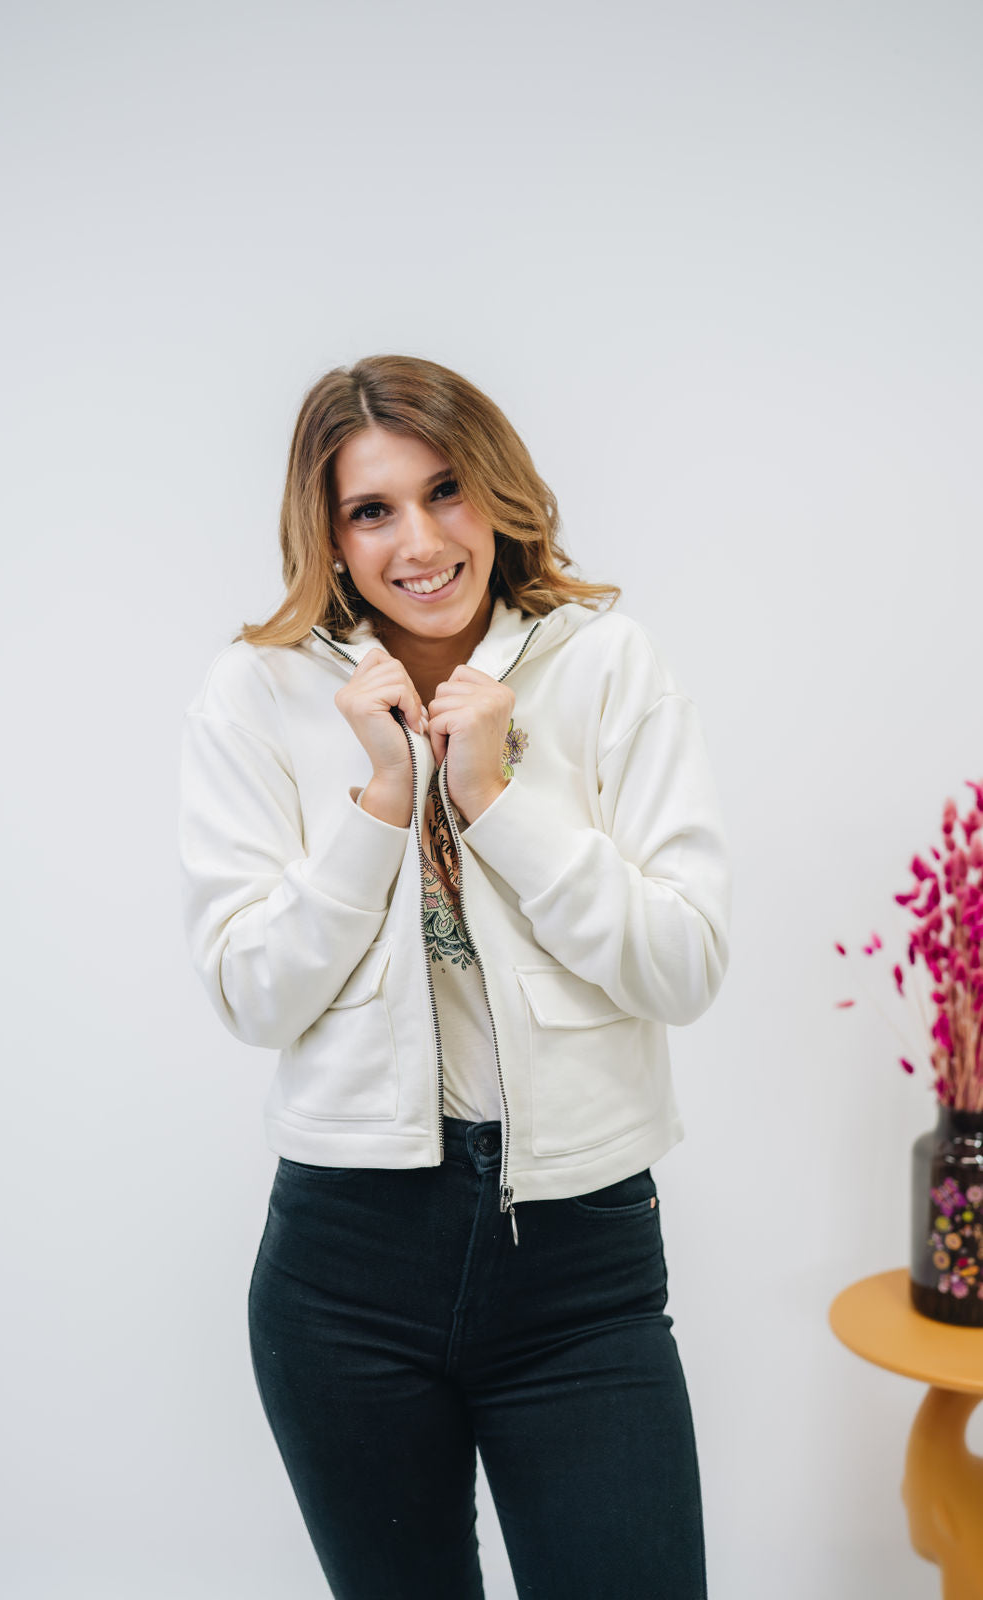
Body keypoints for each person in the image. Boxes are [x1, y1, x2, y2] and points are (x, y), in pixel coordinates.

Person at [177, 353, 732, 1599]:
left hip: (579, 1258)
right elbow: (251, 993)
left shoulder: (606, 664)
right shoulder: (255, 692)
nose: (419, 541)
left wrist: (493, 798)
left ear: (498, 491)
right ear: (327, 534)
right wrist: (382, 800)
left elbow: (684, 962)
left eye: (444, 491)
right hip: (344, 1269)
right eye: (371, 509)